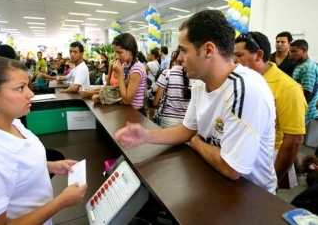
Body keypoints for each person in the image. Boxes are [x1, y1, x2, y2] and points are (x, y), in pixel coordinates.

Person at [115, 10, 277, 194]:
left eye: (184, 50)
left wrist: (195, 142)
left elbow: (231, 168)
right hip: (214, 181)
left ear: (208, 50)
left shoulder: (247, 89)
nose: (179, 58)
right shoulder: (200, 83)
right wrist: (146, 136)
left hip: (252, 196)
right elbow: (186, 130)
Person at [0, 56, 88, 224]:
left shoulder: (11, 122)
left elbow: (12, 168)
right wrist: (61, 201)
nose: (31, 94)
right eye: (20, 88)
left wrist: (49, 166)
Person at [234, 31, 307, 188]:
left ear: (259, 55)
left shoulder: (288, 87)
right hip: (241, 150)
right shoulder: (240, 80)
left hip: (267, 155)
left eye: (239, 55)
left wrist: (274, 178)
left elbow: (294, 139)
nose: (234, 60)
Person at [92, 33, 147, 116]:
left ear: (130, 51)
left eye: (120, 52)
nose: (117, 56)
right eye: (115, 52)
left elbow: (127, 100)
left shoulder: (136, 69)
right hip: (126, 110)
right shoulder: (125, 65)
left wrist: (120, 75)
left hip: (136, 114)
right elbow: (121, 90)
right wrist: (101, 96)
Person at [153, 47, 191, 128]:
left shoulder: (166, 74)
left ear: (175, 58)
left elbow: (156, 101)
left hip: (168, 121)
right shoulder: (193, 77)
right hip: (187, 123)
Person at [290, 39, 318, 125]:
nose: (291, 54)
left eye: (294, 52)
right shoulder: (300, 64)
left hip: (306, 113)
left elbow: (307, 94)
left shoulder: (308, 68)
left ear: (304, 51)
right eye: (290, 52)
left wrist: (298, 110)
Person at [146, 48, 161, 118]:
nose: (148, 56)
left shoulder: (150, 63)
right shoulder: (158, 63)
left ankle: (151, 119)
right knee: (155, 104)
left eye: (149, 54)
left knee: (151, 105)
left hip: (151, 87)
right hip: (157, 86)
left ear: (152, 55)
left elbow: (142, 72)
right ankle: (155, 117)